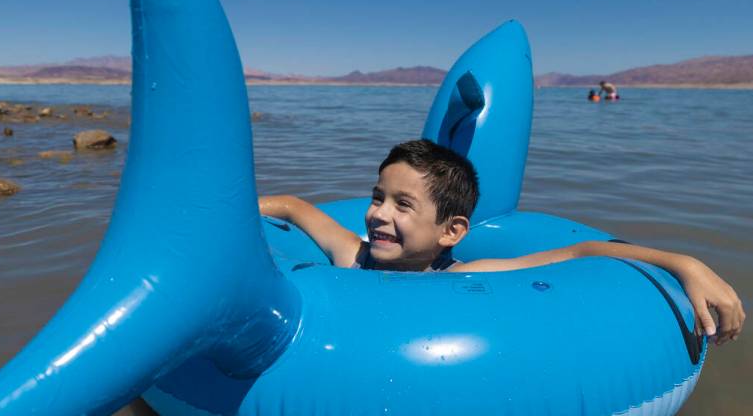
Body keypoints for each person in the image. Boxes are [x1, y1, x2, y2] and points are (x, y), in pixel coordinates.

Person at [259, 139, 745, 345]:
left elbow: (581, 251)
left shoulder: (466, 277)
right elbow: (295, 207)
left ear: (451, 232)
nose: (378, 214)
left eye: (402, 205)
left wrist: (684, 263)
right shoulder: (353, 255)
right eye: (377, 197)